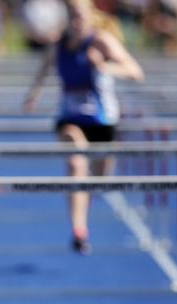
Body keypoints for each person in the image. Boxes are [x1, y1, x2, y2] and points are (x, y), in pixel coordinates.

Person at [23, 0, 144, 254]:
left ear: (90, 17)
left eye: (80, 17)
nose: (76, 23)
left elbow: (135, 71)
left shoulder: (102, 41)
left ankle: (84, 203)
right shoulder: (59, 45)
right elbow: (43, 70)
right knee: (76, 162)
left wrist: (104, 66)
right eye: (72, 17)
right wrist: (33, 95)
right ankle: (79, 230)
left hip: (103, 120)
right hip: (70, 118)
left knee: (97, 181)